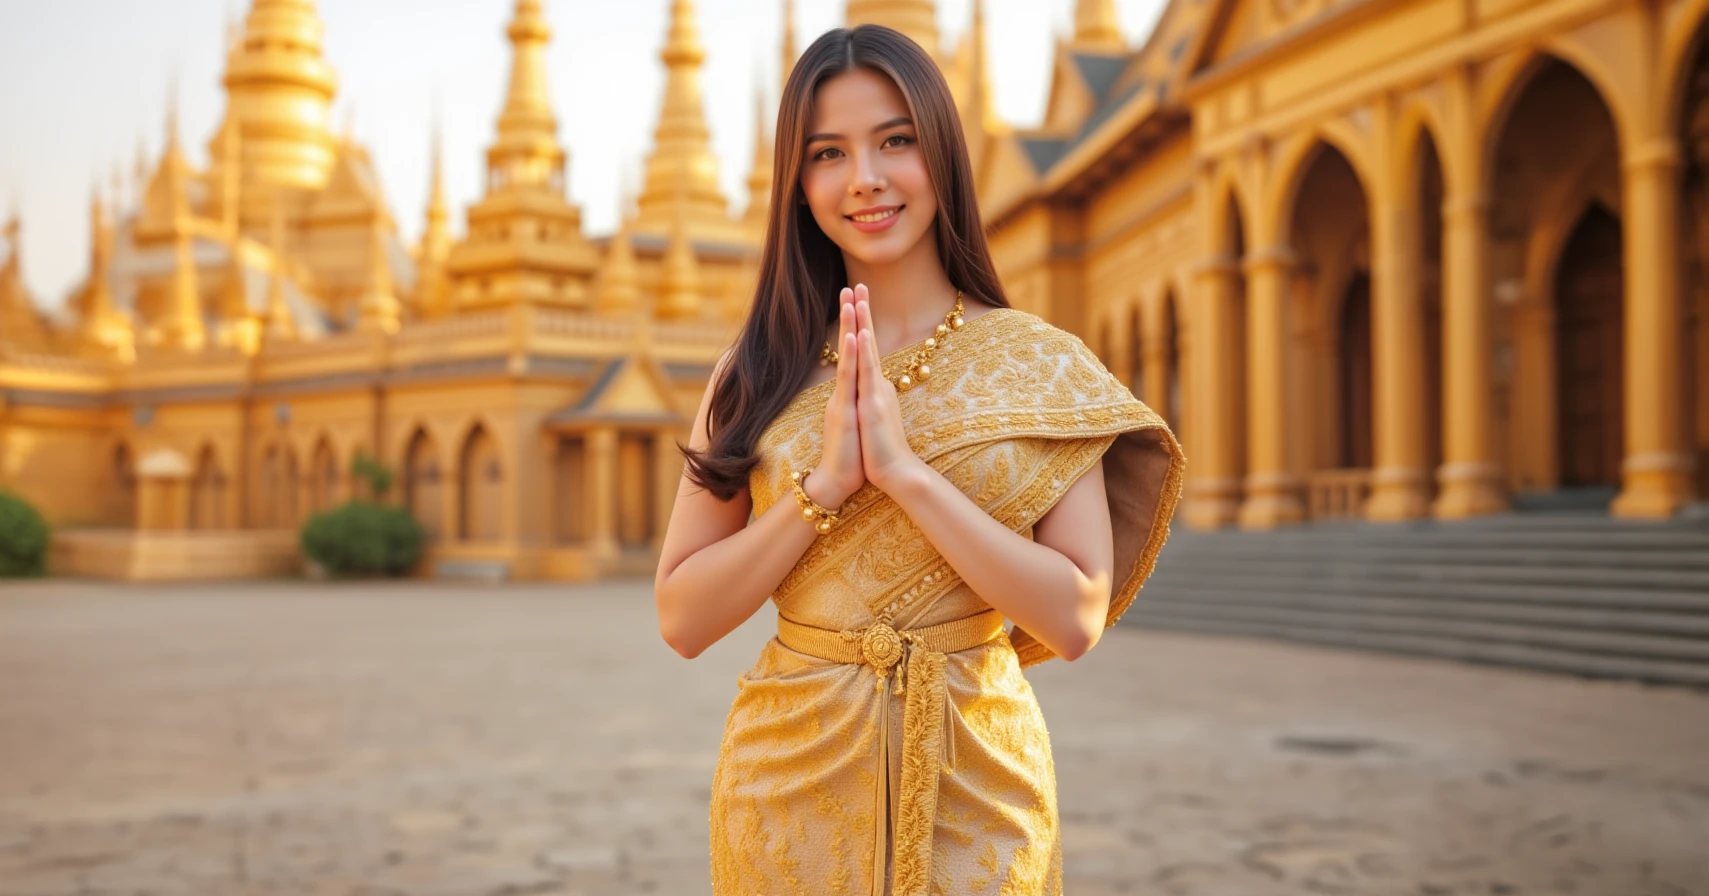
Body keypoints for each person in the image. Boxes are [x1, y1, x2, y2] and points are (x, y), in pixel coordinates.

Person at [653, 23, 1184, 896]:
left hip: (978, 779)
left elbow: (1075, 616)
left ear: (940, 152)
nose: (864, 177)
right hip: (788, 784)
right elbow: (682, 618)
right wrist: (822, 489)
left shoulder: (1040, 361)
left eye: (894, 140)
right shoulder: (754, 373)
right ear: (797, 182)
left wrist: (906, 475)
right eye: (828, 152)